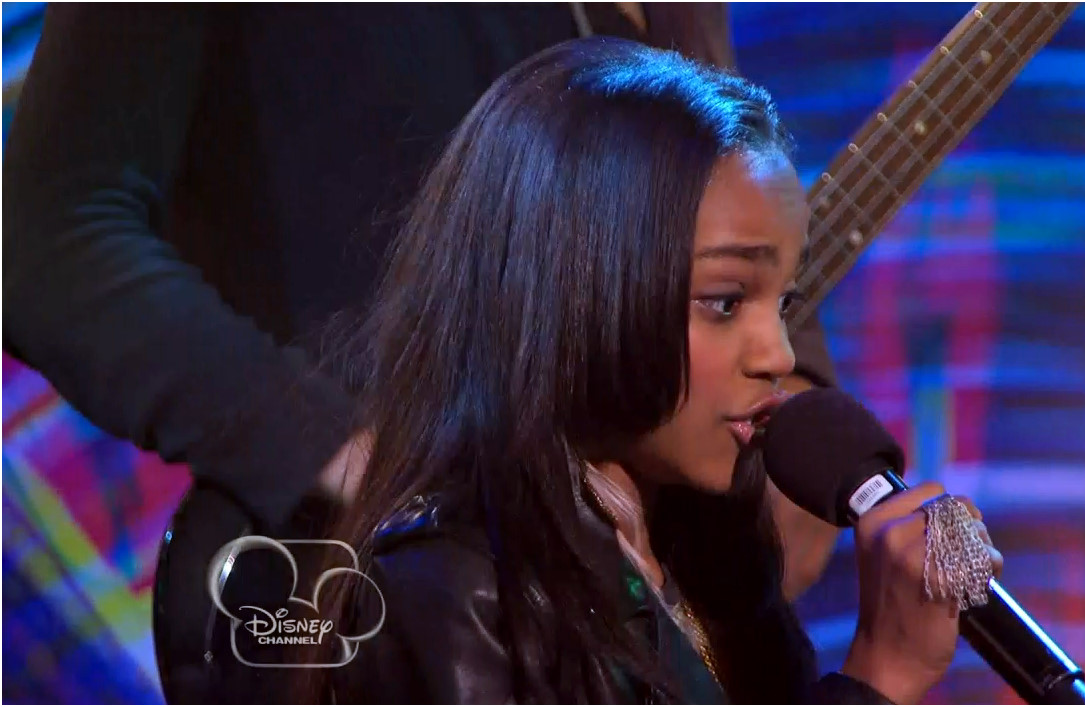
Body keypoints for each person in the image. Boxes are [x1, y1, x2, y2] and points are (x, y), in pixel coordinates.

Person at [2, 4, 839, 600]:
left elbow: (713, 179)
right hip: (378, 596)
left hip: (602, 597)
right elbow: (45, 238)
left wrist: (790, 387)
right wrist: (345, 454)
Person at [303, 38, 1003, 704]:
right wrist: (878, 677)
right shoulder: (453, 590)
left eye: (782, 304)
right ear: (579, 291)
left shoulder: (712, 558)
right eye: (725, 301)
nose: (780, 356)